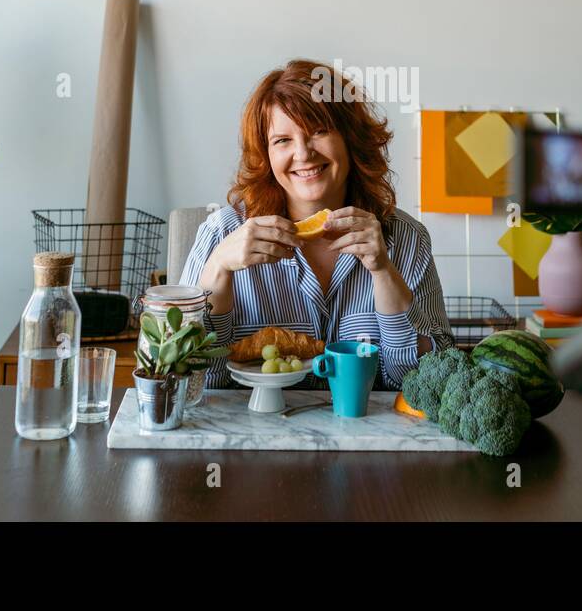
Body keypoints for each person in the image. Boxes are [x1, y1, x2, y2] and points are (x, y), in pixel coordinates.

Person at [180, 59, 454, 389]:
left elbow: (427, 382)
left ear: (351, 139)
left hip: (369, 438)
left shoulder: (406, 238)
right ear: (266, 155)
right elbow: (189, 380)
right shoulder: (221, 234)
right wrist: (217, 271)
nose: (304, 154)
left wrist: (384, 272)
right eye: (282, 140)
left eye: (319, 131)